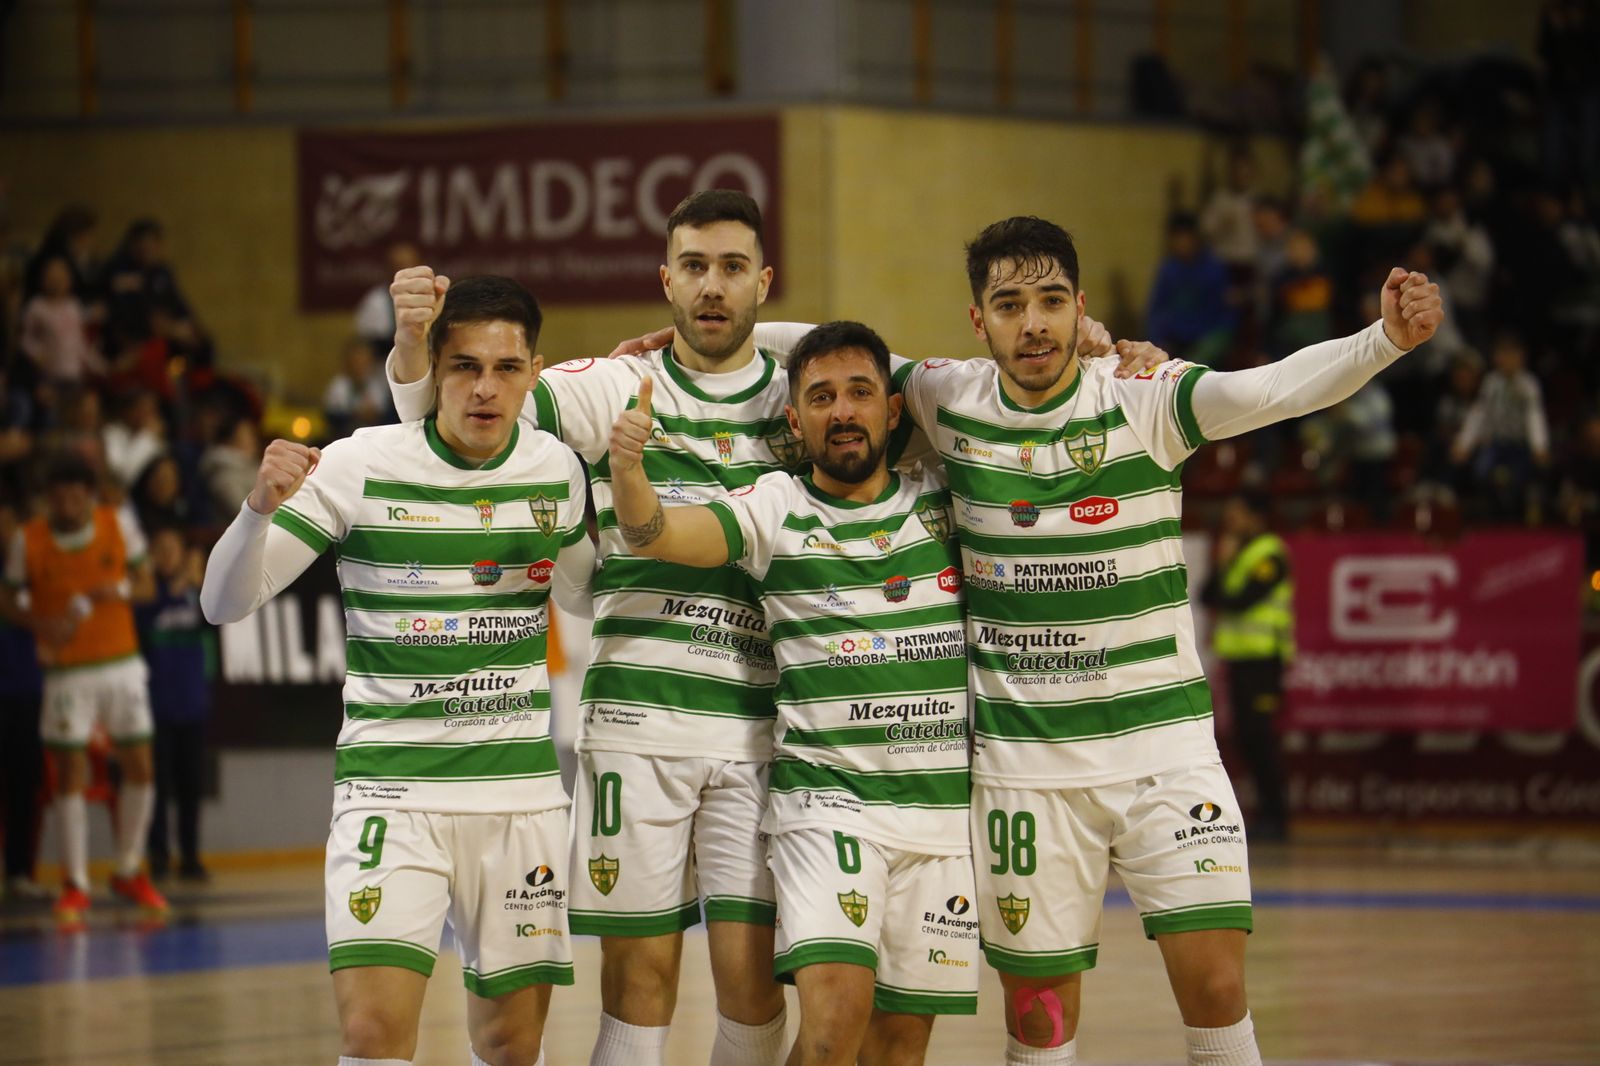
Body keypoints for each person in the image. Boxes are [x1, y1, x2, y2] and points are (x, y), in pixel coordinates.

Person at [765, 215, 1442, 1066]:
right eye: (1010, 305)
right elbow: (833, 353)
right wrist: (691, 344)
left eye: (1051, 301)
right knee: (1042, 1023)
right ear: (979, 321)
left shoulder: (1144, 397)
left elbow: (1274, 388)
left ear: (1079, 305)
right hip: (1027, 774)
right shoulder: (946, 396)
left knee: (1221, 993)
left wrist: (1384, 339)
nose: (1035, 323)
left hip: (1165, 753)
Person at [202, 274, 594, 1066]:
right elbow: (222, 602)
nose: (486, 389)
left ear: (534, 372)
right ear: (430, 370)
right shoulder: (360, 464)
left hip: (519, 799)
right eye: (464, 367)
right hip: (391, 793)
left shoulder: (557, 469)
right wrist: (257, 510)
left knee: (514, 1045)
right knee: (374, 1037)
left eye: (507, 368)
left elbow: (590, 597)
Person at [609, 321, 978, 1066]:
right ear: (795, 419)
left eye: (859, 392)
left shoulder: (945, 500)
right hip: (826, 805)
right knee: (836, 1015)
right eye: (820, 397)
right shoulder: (774, 505)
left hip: (939, 816)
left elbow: (1008, 398)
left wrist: (1098, 345)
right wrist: (626, 468)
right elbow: (654, 534)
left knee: (900, 1047)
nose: (842, 411)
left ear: (894, 409)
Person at [0, 453, 166, 929]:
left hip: (122, 664)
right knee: (69, 772)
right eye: (62, 492)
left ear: (90, 495)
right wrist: (38, 622)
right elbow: (8, 597)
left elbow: (147, 586)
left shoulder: (118, 524)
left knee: (140, 764)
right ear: (49, 497)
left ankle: (129, 868)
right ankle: (75, 883)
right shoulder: (27, 540)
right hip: (67, 671)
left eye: (79, 491)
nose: (70, 500)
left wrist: (116, 591)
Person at [1200, 492, 1292, 842]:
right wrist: (1222, 563)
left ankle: (1277, 815)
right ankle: (1264, 813)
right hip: (1239, 660)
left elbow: (1239, 601)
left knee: (1262, 739)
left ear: (1257, 517)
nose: (1230, 522)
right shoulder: (1237, 555)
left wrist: (1227, 570)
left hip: (1264, 660)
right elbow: (1209, 595)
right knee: (1246, 739)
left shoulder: (1269, 554)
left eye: (1237, 514)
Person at [136, 524, 212, 881]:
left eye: (173, 548)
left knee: (190, 787)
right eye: (160, 549)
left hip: (192, 706)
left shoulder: (197, 596)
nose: (167, 555)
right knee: (158, 787)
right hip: (156, 708)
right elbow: (143, 622)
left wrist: (196, 583)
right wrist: (174, 588)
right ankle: (159, 858)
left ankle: (191, 856)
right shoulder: (148, 596)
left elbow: (219, 623)